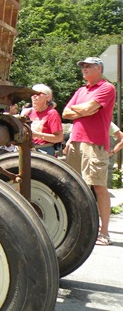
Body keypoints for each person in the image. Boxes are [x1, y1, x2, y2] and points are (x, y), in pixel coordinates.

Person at [62, 57, 116, 246]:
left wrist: (82, 110)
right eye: (82, 66)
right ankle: (77, 229)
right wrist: (84, 110)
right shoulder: (81, 90)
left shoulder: (107, 88)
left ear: (99, 68)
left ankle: (104, 233)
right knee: (73, 186)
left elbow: (90, 108)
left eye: (88, 66)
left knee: (98, 187)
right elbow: (65, 112)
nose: (83, 68)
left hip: (94, 143)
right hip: (75, 142)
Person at [24, 84, 63, 156]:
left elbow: (59, 138)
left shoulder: (52, 113)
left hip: (45, 151)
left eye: (38, 94)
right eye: (32, 94)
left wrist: (37, 135)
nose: (34, 96)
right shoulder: (28, 113)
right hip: (28, 150)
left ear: (48, 97)